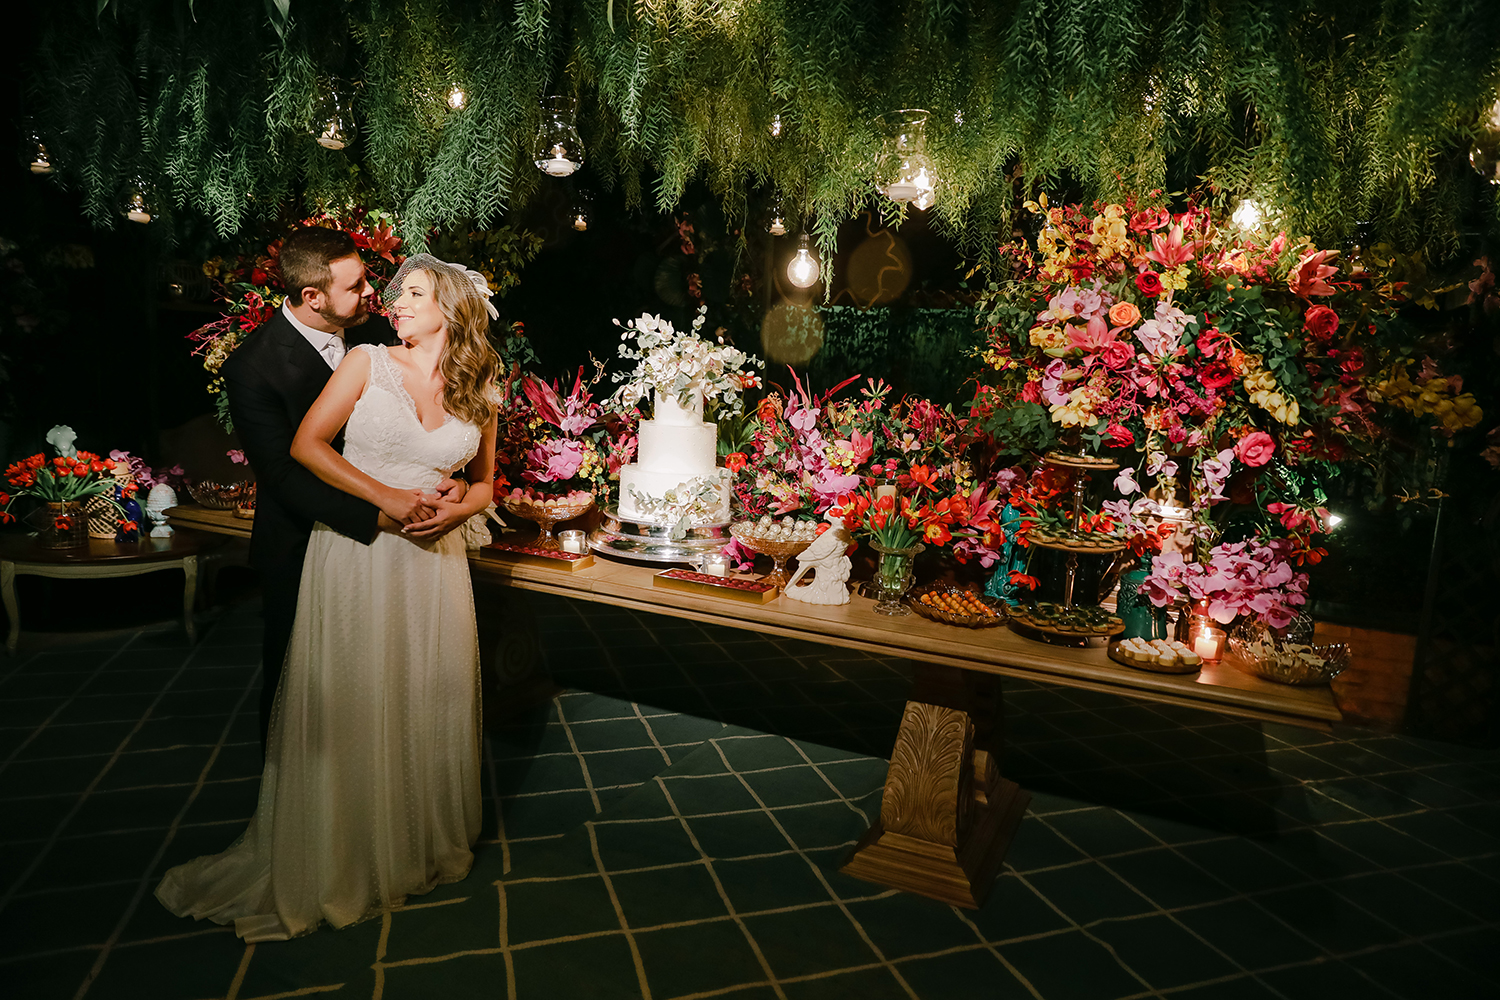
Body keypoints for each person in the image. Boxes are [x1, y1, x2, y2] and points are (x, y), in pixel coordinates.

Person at [155, 254, 501, 941]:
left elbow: (489, 484)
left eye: (413, 294)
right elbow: (307, 448)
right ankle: (345, 854)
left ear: (452, 308)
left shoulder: (483, 382)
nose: (394, 302)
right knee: (356, 695)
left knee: (421, 694)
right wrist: (390, 500)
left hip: (436, 566)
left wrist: (457, 508)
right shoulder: (366, 362)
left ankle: (414, 843)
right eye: (395, 293)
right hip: (360, 553)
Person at [220, 226, 464, 753]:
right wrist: (386, 510)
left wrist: (450, 474)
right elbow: (285, 476)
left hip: (402, 539)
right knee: (303, 688)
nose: (374, 295)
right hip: (303, 537)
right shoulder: (252, 367)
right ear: (313, 297)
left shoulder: (376, 329)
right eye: (355, 287)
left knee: (388, 679)